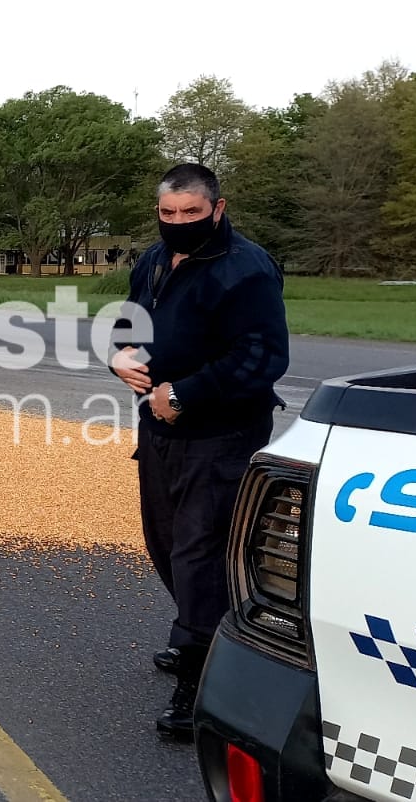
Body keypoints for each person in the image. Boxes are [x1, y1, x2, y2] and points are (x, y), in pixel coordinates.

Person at [110, 162, 290, 741]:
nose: (179, 221)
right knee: (164, 545)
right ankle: (202, 634)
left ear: (218, 208)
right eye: (169, 212)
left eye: (192, 211)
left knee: (200, 557)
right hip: (160, 433)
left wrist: (185, 394)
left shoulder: (246, 269)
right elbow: (129, 325)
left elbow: (263, 357)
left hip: (221, 436)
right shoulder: (153, 260)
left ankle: (202, 679)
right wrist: (119, 358)